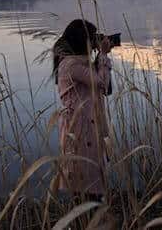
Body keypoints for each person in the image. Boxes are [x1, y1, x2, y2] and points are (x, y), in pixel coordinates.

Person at [53, 19, 113, 197]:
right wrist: (103, 55)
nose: (95, 42)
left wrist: (98, 59)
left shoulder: (78, 63)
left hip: (86, 127)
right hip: (80, 130)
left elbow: (104, 89)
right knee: (84, 182)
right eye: (93, 38)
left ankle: (88, 218)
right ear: (82, 40)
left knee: (88, 181)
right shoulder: (72, 65)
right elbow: (101, 84)